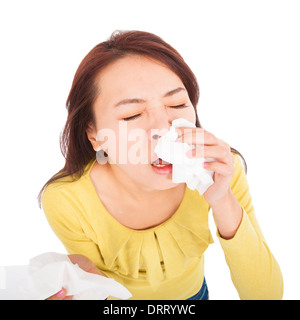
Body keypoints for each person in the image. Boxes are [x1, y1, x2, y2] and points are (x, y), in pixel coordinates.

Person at [38, 30, 283, 300]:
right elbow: (101, 291)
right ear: (94, 135)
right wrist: (83, 287)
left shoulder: (221, 171)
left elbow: (267, 296)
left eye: (177, 103)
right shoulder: (67, 199)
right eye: (132, 114)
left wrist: (223, 200)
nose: (162, 129)